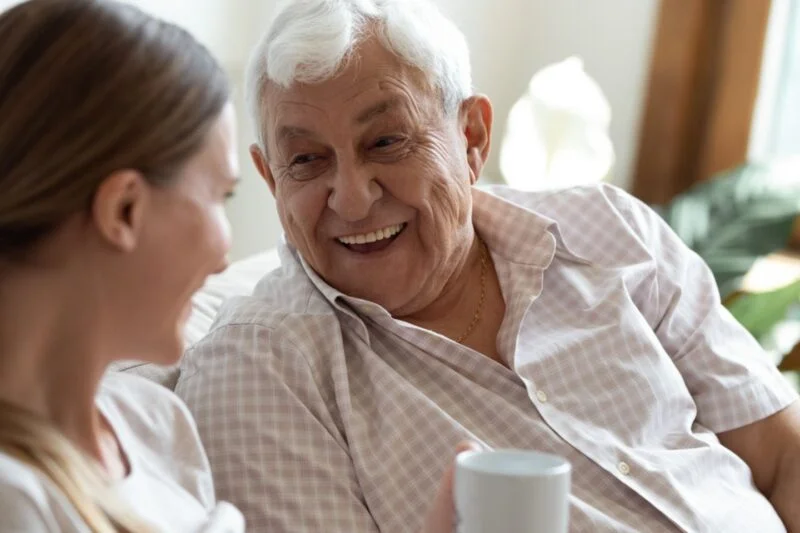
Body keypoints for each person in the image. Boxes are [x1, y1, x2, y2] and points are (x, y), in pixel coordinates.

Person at [175, 0, 800, 532]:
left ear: (472, 136)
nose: (353, 196)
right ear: (269, 177)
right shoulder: (260, 369)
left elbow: (779, 452)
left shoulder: (610, 231)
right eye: (307, 161)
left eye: (386, 142)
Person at [0, 0, 242, 531]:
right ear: (123, 210)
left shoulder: (154, 423)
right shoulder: (15, 500)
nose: (226, 258)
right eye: (222, 195)